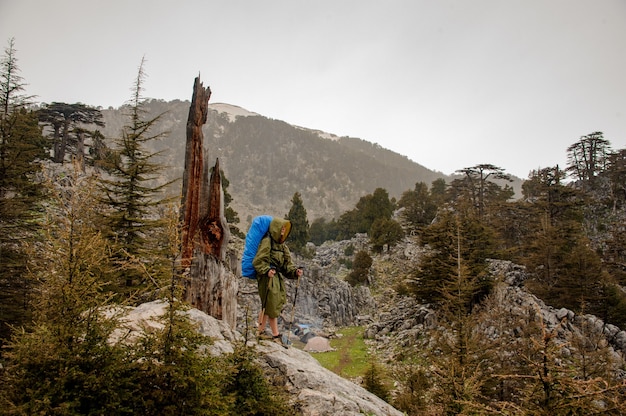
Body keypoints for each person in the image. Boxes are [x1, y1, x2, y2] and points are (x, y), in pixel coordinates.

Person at [252, 217, 303, 344]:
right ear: (276, 228)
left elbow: (287, 265)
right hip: (267, 277)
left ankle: (260, 331)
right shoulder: (267, 241)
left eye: (285, 228)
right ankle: (275, 334)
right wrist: (266, 270)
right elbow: (258, 261)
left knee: (271, 304)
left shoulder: (282, 246)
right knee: (271, 304)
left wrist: (295, 271)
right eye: (282, 227)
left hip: (276, 277)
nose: (283, 230)